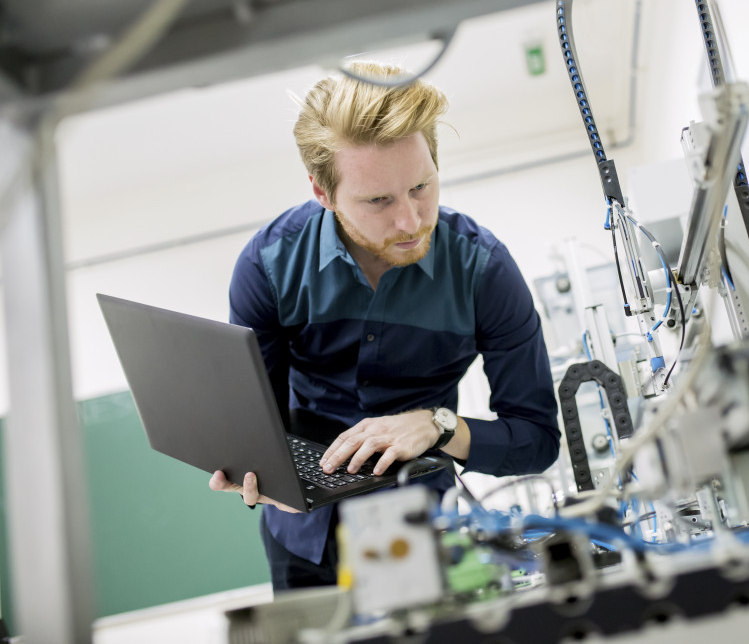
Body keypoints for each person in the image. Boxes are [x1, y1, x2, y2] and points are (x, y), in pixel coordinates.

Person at [208, 61, 562, 592]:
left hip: (428, 535)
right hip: (301, 536)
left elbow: (536, 440)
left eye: (422, 186)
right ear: (322, 192)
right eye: (377, 200)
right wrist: (248, 463)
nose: (411, 220)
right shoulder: (269, 265)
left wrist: (440, 425)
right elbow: (258, 419)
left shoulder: (483, 272)